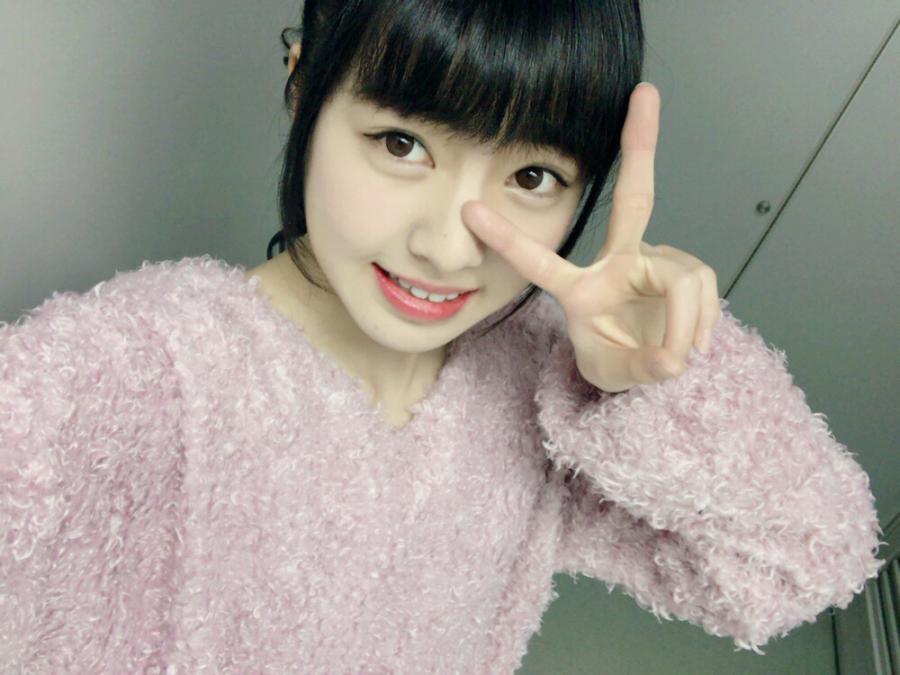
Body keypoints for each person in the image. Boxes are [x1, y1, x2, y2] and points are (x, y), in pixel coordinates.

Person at [1, 1, 886, 672]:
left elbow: (806, 563)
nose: (450, 247)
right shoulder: (134, 374)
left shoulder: (548, 382)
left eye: (531, 176)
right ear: (304, 85)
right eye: (400, 143)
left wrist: (649, 388)